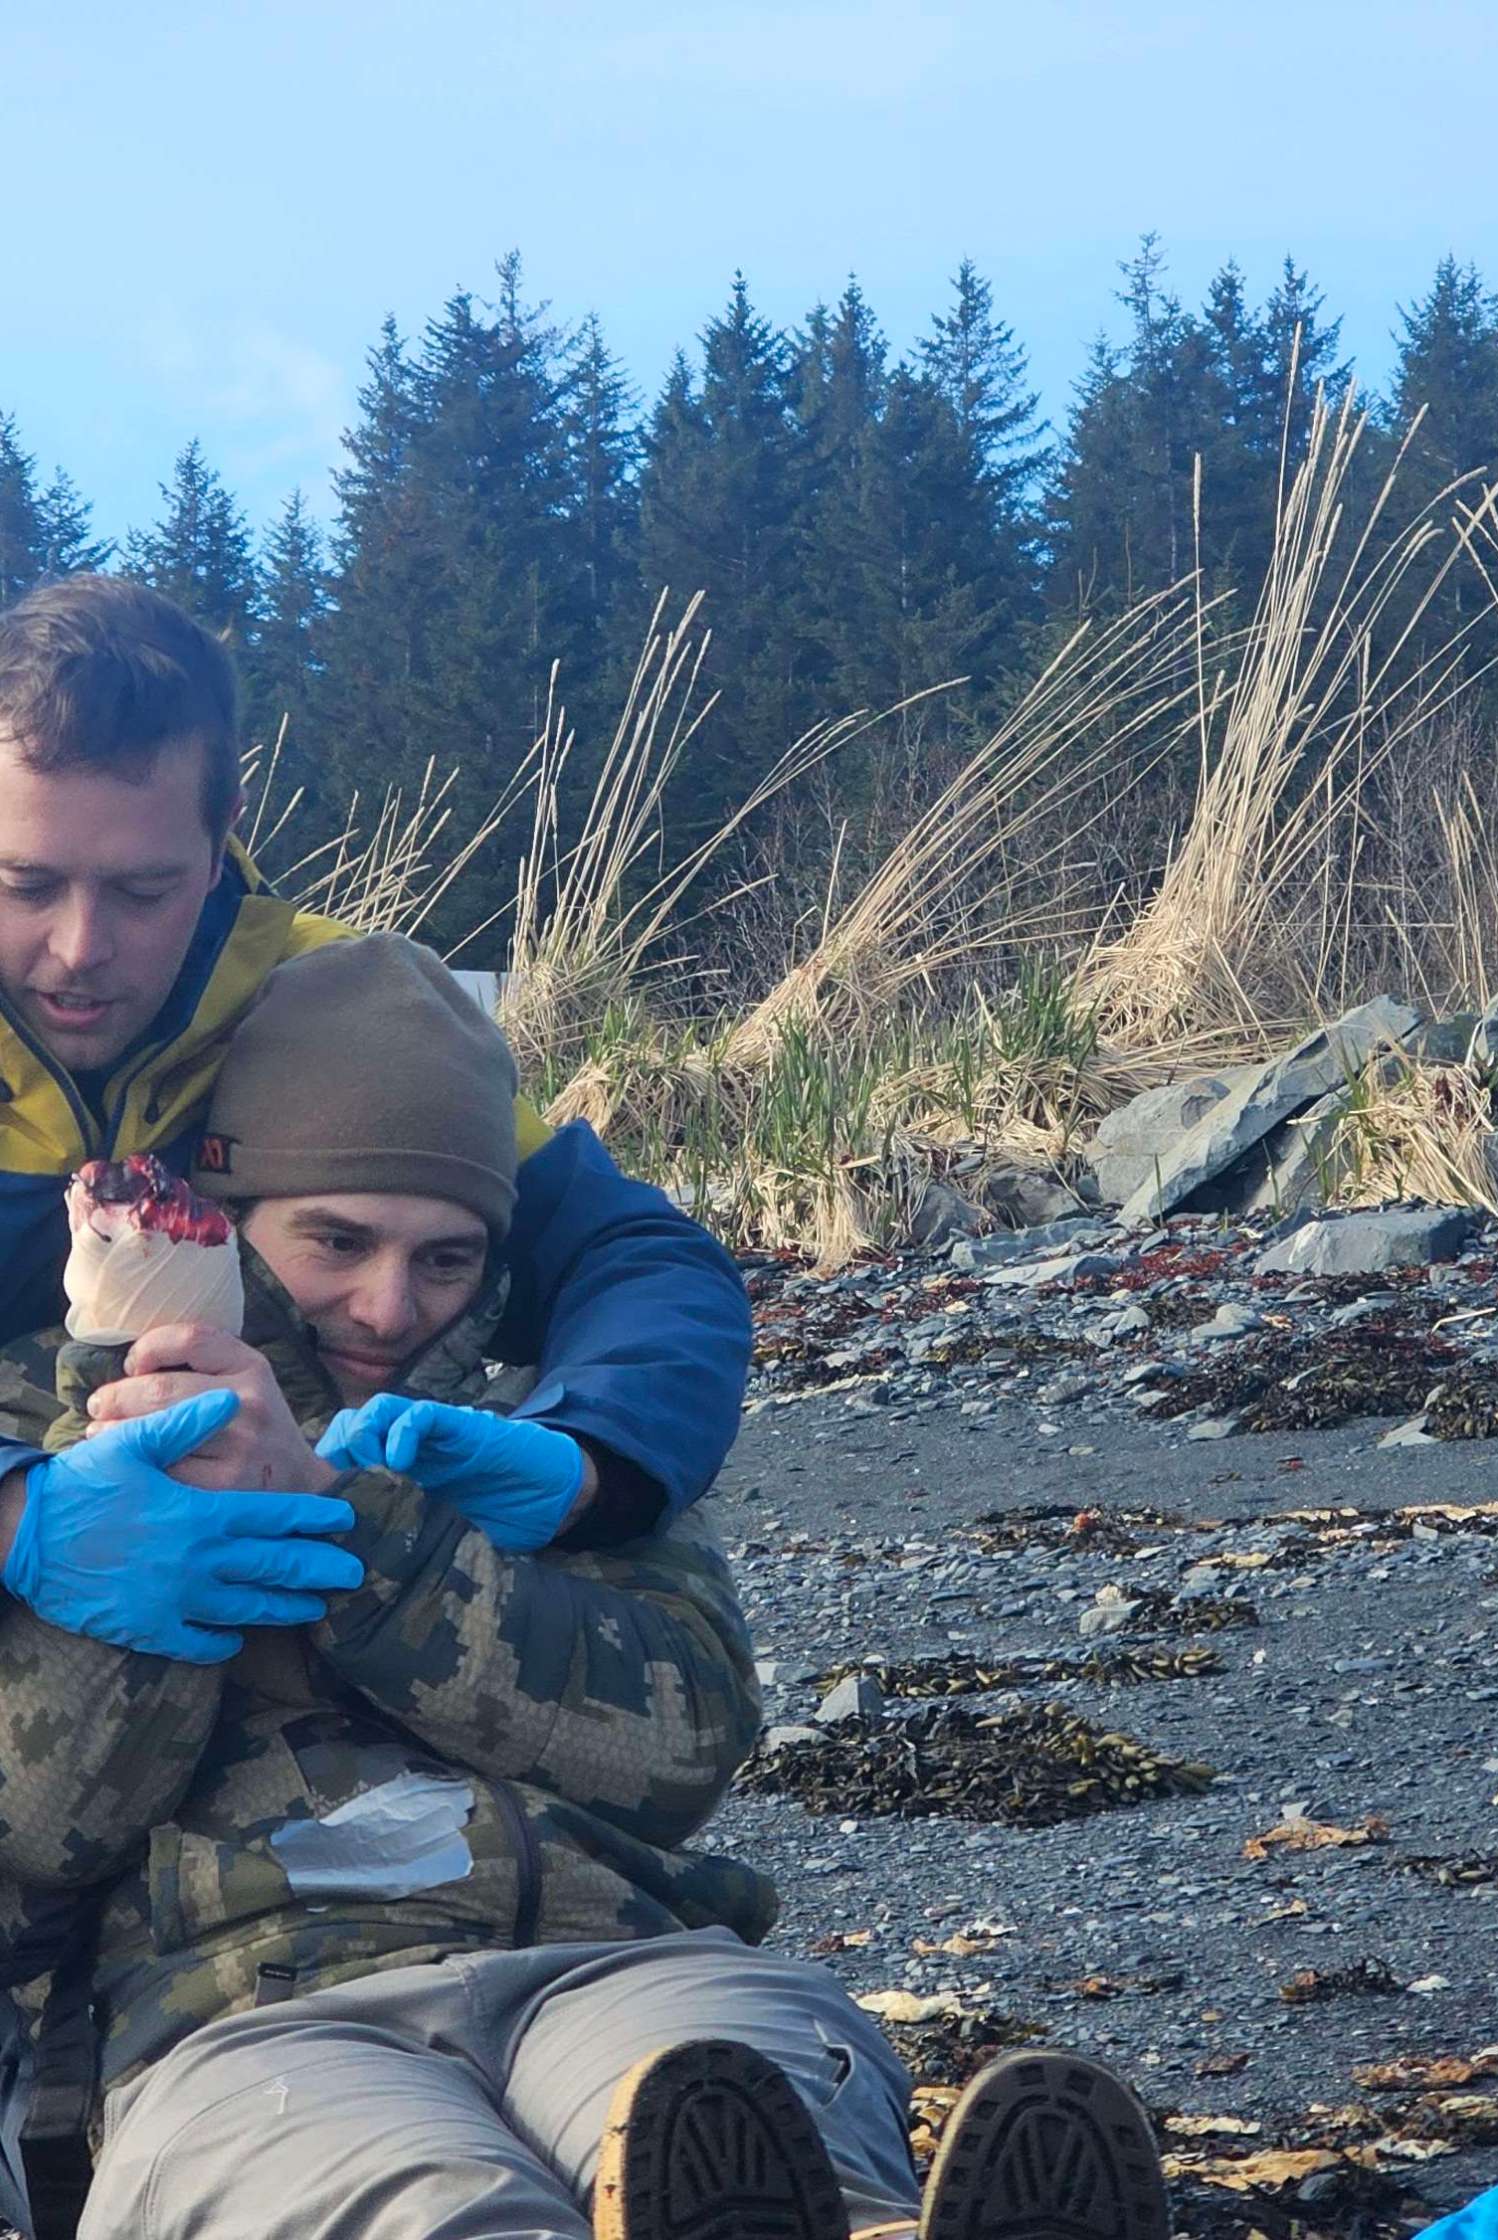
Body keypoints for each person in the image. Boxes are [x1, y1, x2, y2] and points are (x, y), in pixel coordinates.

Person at [0, 935, 1172, 2240]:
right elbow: (44, 1822)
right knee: (414, 2209)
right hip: (247, 2016)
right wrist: (142, 1469)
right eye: (336, 1243)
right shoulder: (46, 1450)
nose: (390, 1307)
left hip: (618, 1955)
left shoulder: (553, 1442)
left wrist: (362, 1532)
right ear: (229, 1230)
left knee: (741, 2104)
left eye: (445, 1260)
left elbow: (681, 1750)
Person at [0, 573, 755, 1658]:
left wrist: (592, 1456)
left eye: (142, 890)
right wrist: (19, 1517)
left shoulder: (334, 1006)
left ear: (222, 841)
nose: (79, 948)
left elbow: (638, 1254)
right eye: (26, 884)